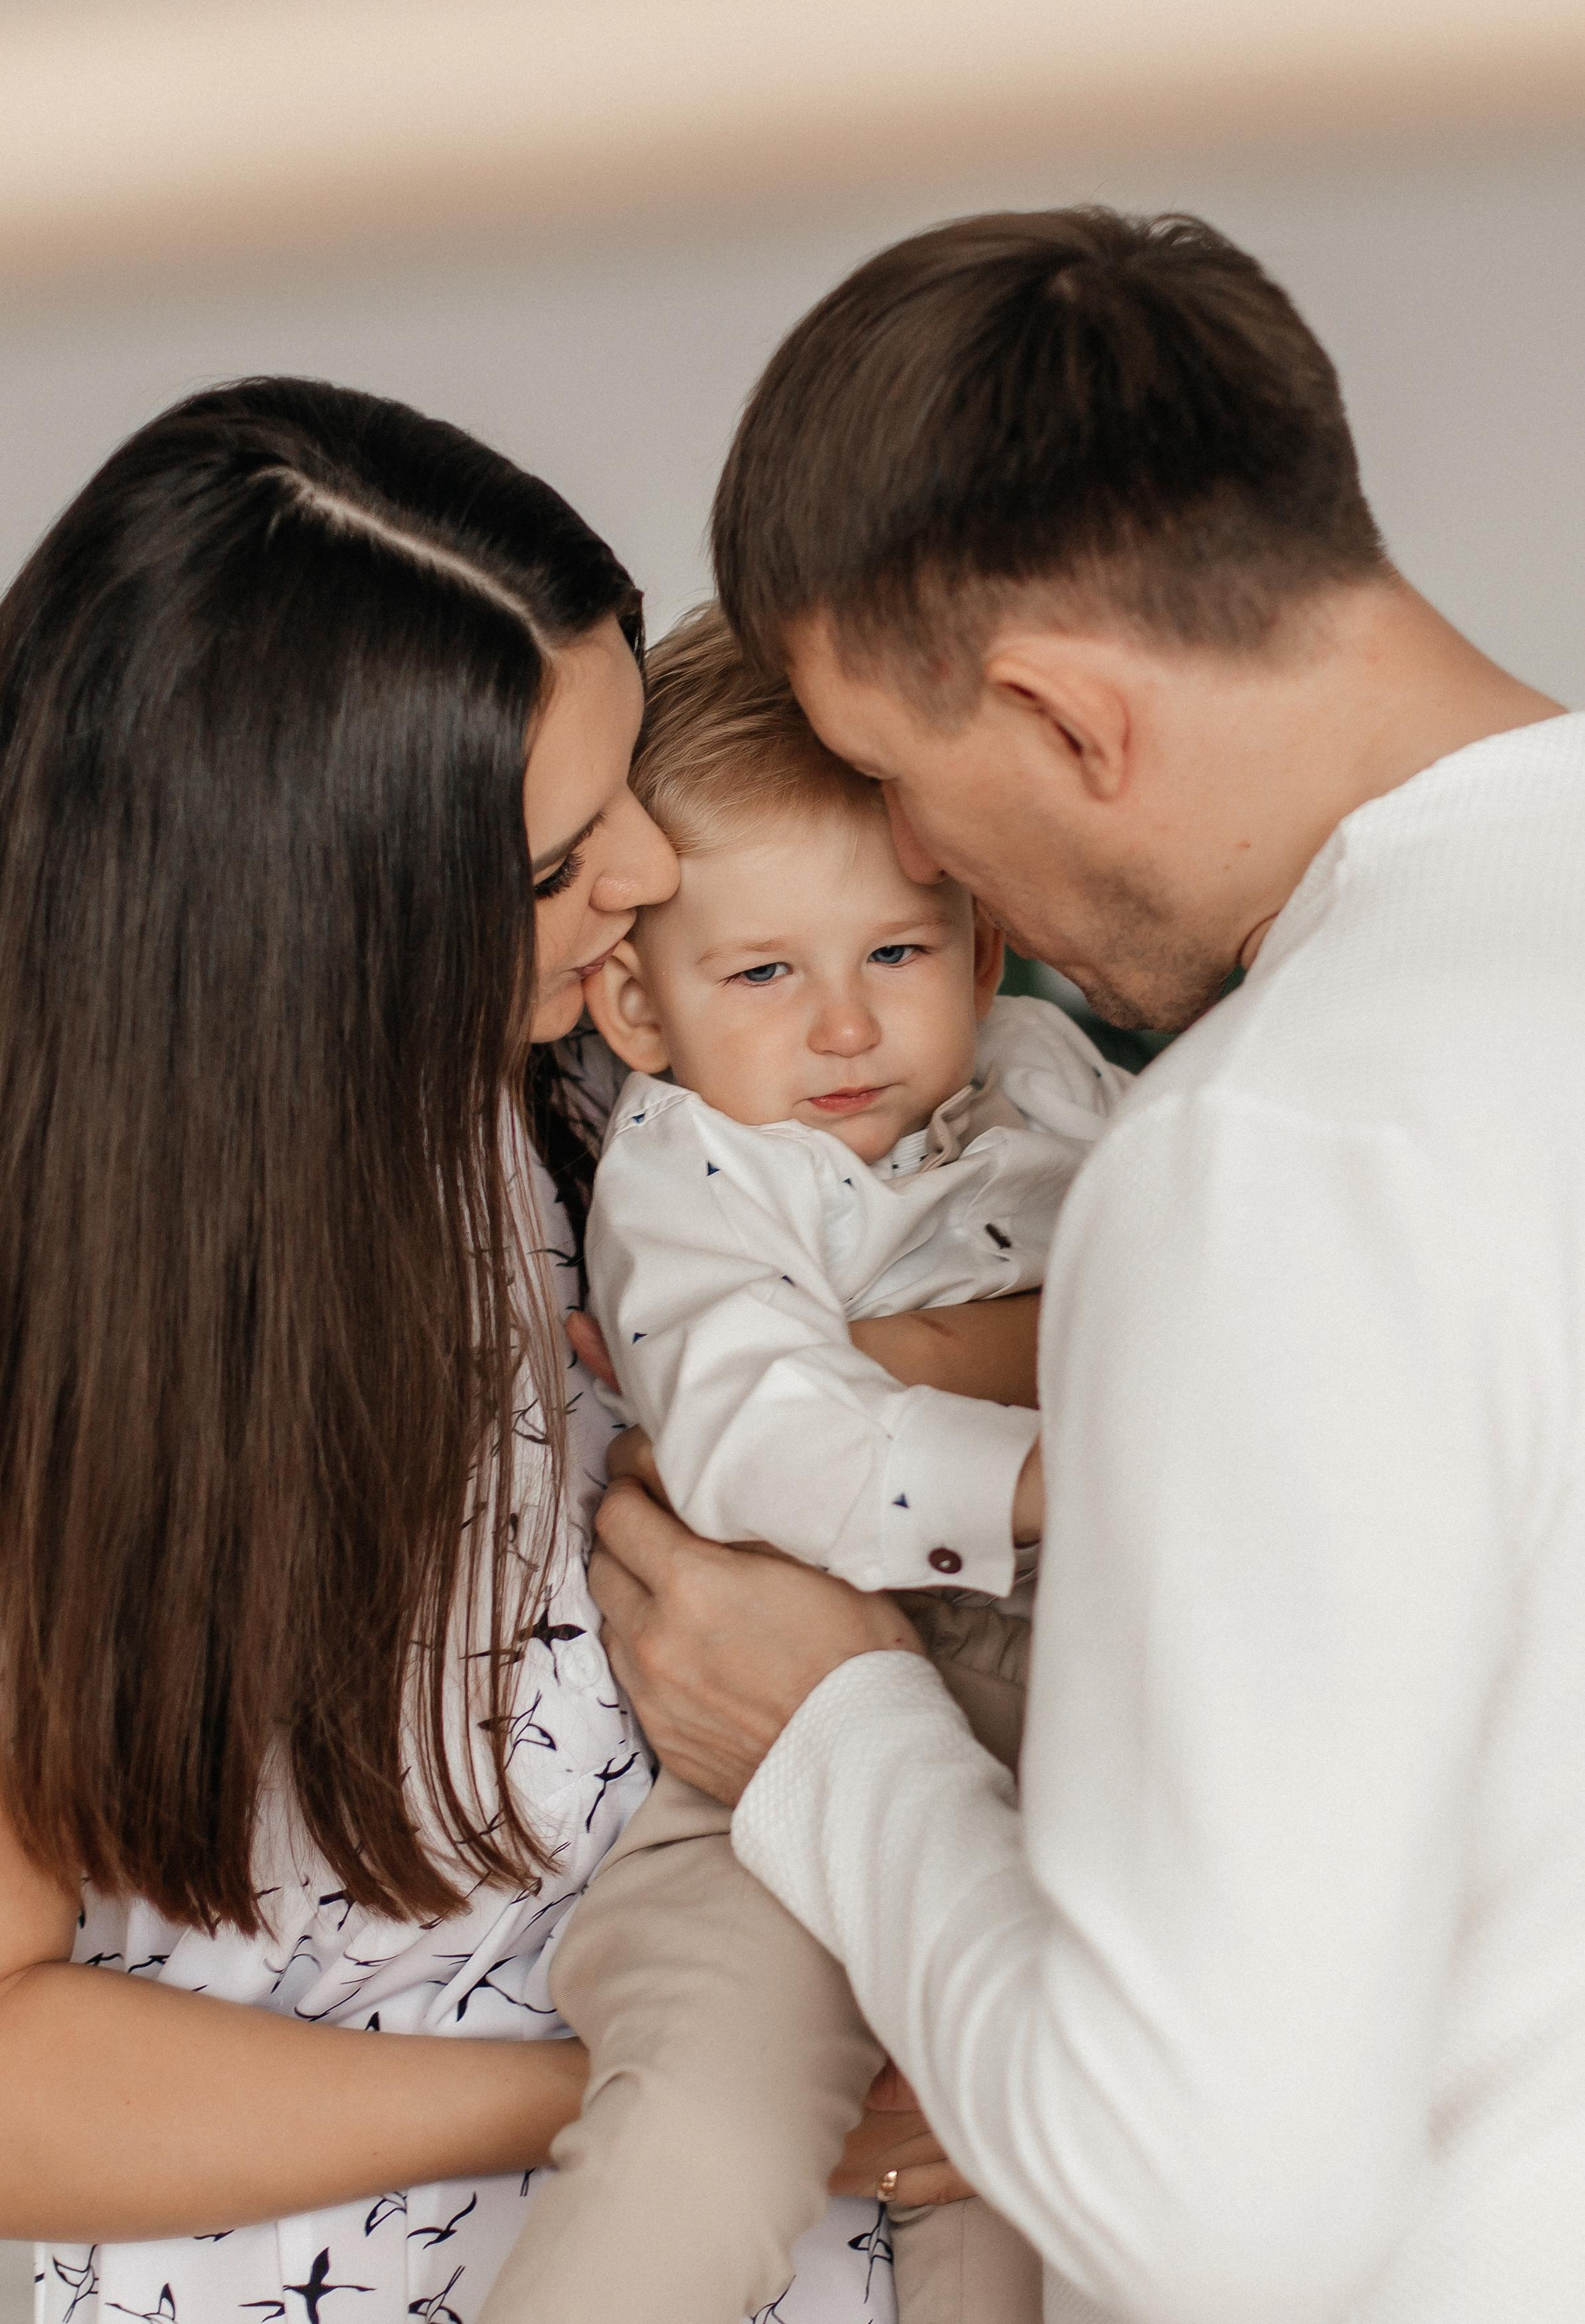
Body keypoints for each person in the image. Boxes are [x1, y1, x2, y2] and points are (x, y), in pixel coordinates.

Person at [586, 207, 1585, 2322]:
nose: (923, 872)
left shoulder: (1263, 1151)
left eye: (893, 785)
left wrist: (837, 1726)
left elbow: (1202, 2200)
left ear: (1059, 714)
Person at [0, 377, 963, 2324]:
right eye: (553, 862)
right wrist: (651, 2102)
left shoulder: (605, 1095)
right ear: (303, 928)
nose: (647, 874)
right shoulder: (64, 1335)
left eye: (627, 787)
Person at [480, 604, 1126, 2324]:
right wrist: (1081, 1462)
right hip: (760, 1777)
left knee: (1027, 2187)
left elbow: (1213, 1301)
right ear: (635, 999)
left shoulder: (1055, 1089)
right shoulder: (692, 1170)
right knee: (705, 2125)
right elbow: (759, 1443)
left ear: (985, 947)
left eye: (898, 954)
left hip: (1055, 1741)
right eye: (763, 971)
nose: (842, 1027)